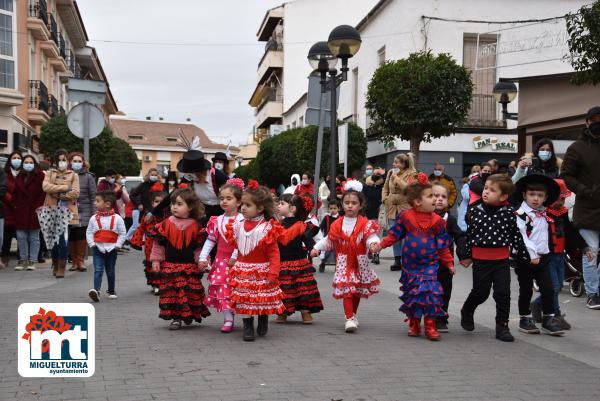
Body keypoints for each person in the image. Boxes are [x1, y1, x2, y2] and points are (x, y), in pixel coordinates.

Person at [374, 174, 454, 341]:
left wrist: (449, 263)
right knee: (413, 295)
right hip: (410, 266)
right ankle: (415, 323)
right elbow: (394, 235)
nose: (435, 199)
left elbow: (443, 245)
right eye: (430, 196)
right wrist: (380, 245)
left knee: (430, 294)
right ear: (418, 201)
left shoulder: (438, 221)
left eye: (436, 196)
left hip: (430, 265)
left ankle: (431, 325)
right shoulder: (406, 216)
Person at [458, 174, 530, 342]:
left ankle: (502, 325)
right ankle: (467, 310)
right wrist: (465, 255)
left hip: (501, 260)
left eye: (492, 190)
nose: (486, 192)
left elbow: (515, 237)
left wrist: (524, 255)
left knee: (503, 293)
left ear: (503, 196)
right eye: (485, 189)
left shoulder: (508, 214)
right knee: (480, 293)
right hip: (481, 259)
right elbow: (469, 235)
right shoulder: (474, 211)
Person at [311, 180, 380, 334]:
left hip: (360, 261)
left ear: (360, 206)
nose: (350, 205)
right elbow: (329, 240)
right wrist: (316, 248)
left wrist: (373, 244)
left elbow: (370, 237)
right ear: (342, 205)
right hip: (343, 261)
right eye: (347, 202)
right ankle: (349, 318)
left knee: (356, 290)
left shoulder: (365, 223)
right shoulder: (337, 224)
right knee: (348, 287)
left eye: (354, 203)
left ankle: (353, 314)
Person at [226, 184, 285, 341]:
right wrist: (233, 259)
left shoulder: (267, 227)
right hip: (242, 269)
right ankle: (247, 326)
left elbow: (274, 253)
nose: (243, 208)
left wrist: (273, 272)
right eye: (242, 204)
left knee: (259, 298)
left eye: (248, 205)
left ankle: (263, 318)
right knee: (245, 299)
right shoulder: (237, 225)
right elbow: (237, 246)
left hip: (262, 270)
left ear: (260, 208)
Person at [530, 179, 589, 330]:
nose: (561, 201)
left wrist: (584, 247)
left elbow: (571, 233)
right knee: (554, 286)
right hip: (546, 256)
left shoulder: (561, 213)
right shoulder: (541, 214)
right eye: (559, 198)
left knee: (555, 287)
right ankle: (555, 316)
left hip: (559, 256)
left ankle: (537, 305)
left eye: (563, 198)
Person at [150, 188, 211, 330]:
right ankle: (176, 318)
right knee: (174, 293)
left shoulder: (196, 226)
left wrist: (203, 261)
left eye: (179, 204)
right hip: (170, 266)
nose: (174, 207)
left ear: (190, 207)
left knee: (188, 292)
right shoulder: (165, 224)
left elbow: (199, 248)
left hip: (189, 267)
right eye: (173, 204)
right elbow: (158, 245)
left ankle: (187, 315)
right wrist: (155, 261)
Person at [513, 174, 565, 336]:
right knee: (526, 289)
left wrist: (546, 252)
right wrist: (532, 255)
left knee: (548, 288)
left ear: (546, 197)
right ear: (524, 195)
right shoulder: (521, 213)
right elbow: (522, 236)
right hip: (525, 258)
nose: (536, 199)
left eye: (540, 196)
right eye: (532, 194)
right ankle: (525, 318)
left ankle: (548, 318)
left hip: (544, 257)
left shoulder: (544, 213)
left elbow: (545, 236)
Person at [560, 106, 600, 310]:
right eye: (594, 119)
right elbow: (566, 175)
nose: (597, 122)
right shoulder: (576, 148)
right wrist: (585, 190)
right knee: (591, 250)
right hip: (587, 209)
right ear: (587, 122)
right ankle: (593, 293)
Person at [198, 179, 245, 333]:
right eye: (222, 198)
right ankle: (228, 319)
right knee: (223, 290)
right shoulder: (217, 220)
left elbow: (242, 241)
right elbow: (210, 240)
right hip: (221, 262)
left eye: (229, 198)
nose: (224, 201)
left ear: (238, 202)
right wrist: (203, 257)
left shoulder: (243, 220)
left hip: (239, 262)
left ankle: (246, 317)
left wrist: (235, 255)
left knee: (238, 290)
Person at [275, 193, 324, 324]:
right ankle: (282, 313)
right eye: (278, 203)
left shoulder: (302, 225)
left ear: (292, 208)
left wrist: (313, 249)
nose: (278, 206)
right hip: (282, 263)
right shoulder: (277, 225)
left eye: (282, 204)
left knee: (302, 289)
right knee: (284, 288)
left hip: (299, 262)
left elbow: (308, 240)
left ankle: (305, 313)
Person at [152, 142, 228, 221]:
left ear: (199, 171)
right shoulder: (189, 176)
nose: (188, 174)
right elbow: (174, 194)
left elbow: (234, 195)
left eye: (191, 172)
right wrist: (154, 211)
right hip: (202, 212)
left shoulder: (217, 176)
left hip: (222, 212)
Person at [431, 182, 464, 332]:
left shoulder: (450, 220)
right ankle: (428, 316)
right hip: (426, 263)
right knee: (428, 290)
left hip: (445, 264)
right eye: (435, 195)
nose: (439, 199)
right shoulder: (423, 218)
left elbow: (459, 237)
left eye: (443, 197)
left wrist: (464, 255)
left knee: (444, 290)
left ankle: (442, 318)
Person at [42, 150, 80, 278]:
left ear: (67, 161)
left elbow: (75, 193)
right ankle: (55, 263)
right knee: (53, 241)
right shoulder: (49, 173)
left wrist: (57, 193)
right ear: (55, 161)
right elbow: (45, 187)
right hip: (51, 210)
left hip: (66, 212)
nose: (61, 162)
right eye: (59, 160)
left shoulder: (73, 175)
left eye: (64, 159)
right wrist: (64, 188)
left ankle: (62, 268)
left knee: (63, 240)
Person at [86, 191, 127, 302]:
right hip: (97, 249)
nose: (95, 203)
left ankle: (111, 290)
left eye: (98, 201)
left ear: (107, 204)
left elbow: (123, 233)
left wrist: (118, 245)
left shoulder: (117, 218)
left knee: (110, 270)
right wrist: (92, 244)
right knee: (98, 270)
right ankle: (96, 291)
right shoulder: (93, 218)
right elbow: (89, 232)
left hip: (112, 249)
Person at [382, 153, 417, 271]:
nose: (394, 164)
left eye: (396, 162)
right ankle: (397, 259)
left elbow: (409, 188)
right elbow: (385, 187)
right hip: (391, 207)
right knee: (394, 234)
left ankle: (405, 259)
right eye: (394, 162)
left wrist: (397, 179)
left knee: (406, 234)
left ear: (404, 164)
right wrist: (384, 198)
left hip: (405, 207)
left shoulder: (412, 173)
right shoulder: (390, 172)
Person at [130, 191, 169, 295]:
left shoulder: (168, 216)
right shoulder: (148, 216)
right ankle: (155, 284)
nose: (159, 204)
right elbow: (140, 228)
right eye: (156, 201)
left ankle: (163, 283)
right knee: (152, 263)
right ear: (152, 203)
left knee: (164, 263)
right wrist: (136, 242)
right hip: (150, 244)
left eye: (161, 202)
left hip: (165, 244)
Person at [13, 155, 45, 271]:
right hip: (21, 210)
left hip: (35, 209)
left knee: (34, 236)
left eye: (31, 162)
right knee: (21, 236)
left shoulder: (40, 175)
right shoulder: (19, 176)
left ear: (34, 164)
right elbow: (15, 193)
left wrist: (38, 207)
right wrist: (16, 206)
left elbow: (43, 193)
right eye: (26, 162)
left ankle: (32, 260)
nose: (28, 164)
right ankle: (23, 259)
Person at [68, 152, 96, 272]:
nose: (77, 163)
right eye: (75, 161)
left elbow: (93, 196)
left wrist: (93, 213)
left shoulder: (89, 176)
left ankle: (80, 260)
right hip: (68, 209)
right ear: (70, 162)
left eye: (79, 161)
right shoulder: (65, 175)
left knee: (81, 234)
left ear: (83, 163)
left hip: (84, 210)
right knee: (71, 235)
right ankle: (74, 261)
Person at [128, 169, 166, 243]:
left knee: (159, 233)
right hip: (147, 212)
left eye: (155, 175)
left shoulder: (161, 185)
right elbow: (132, 195)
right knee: (149, 233)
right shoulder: (143, 185)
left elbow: (166, 198)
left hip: (159, 212)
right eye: (152, 175)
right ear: (148, 175)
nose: (154, 176)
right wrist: (138, 204)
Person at [1, 151, 21, 268]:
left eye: (19, 158)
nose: (17, 160)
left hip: (21, 210)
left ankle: (22, 258)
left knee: (21, 236)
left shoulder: (24, 174)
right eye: (14, 158)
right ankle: (4, 257)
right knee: (6, 237)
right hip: (8, 210)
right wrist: (13, 202)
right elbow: (3, 190)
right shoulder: (5, 173)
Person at [362, 166, 385, 265]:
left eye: (378, 174)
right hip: (368, 214)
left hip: (380, 213)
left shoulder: (383, 186)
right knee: (370, 234)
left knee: (379, 234)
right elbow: (362, 199)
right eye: (374, 174)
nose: (376, 175)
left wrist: (383, 173)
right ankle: (371, 250)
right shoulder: (366, 186)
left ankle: (376, 254)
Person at [317, 198, 341, 272]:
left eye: (335, 208)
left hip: (337, 239)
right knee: (326, 254)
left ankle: (337, 267)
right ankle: (323, 263)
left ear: (338, 209)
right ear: (328, 209)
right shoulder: (326, 218)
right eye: (331, 208)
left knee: (336, 254)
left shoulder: (340, 218)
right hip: (327, 239)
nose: (333, 210)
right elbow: (321, 227)